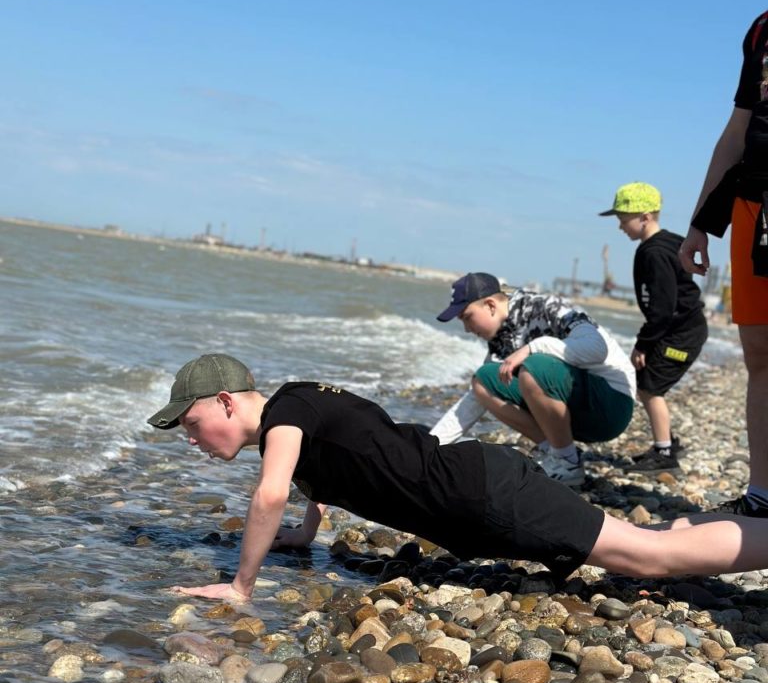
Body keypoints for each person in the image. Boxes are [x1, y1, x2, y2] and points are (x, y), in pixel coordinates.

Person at [148, 353, 768, 602]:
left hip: (487, 495)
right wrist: (304, 535)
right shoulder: (297, 413)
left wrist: (241, 585)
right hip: (479, 490)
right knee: (654, 536)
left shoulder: (287, 416)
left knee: (647, 558)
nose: (193, 440)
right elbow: (318, 483)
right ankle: (745, 524)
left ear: (227, 401)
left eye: (192, 424)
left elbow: (273, 492)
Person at [678, 9, 768, 516]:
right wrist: (699, 223)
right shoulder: (761, 29)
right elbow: (738, 128)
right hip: (753, 204)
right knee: (760, 354)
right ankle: (763, 495)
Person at [429, 273, 636, 488]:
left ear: (490, 305)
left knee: (535, 368)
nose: (466, 329)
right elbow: (474, 401)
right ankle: (558, 454)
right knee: (483, 380)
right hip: (576, 414)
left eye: (466, 317)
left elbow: (597, 348)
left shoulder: (546, 306)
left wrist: (533, 347)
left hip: (612, 405)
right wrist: (431, 446)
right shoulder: (501, 341)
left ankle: (568, 465)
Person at [599, 182, 708, 472]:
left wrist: (643, 343)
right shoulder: (671, 242)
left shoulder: (654, 252)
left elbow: (663, 307)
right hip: (681, 327)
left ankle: (665, 454)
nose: (621, 228)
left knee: (649, 388)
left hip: (681, 332)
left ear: (645, 217)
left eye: (624, 221)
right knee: (647, 381)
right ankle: (667, 442)